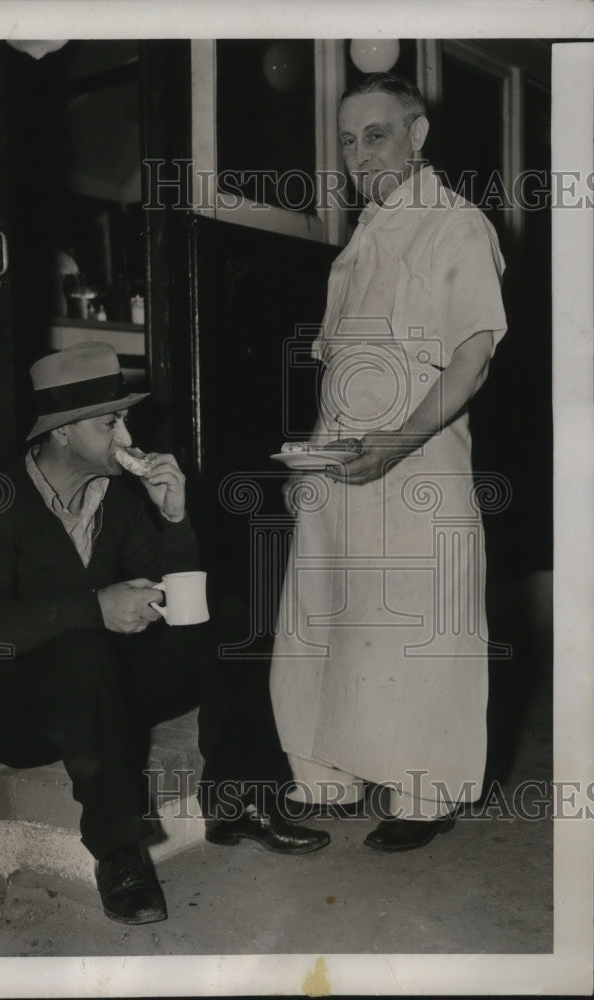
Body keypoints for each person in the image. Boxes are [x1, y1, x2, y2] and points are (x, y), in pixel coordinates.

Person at [0, 341, 329, 926]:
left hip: (105, 692)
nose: (126, 433)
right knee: (81, 649)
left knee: (230, 622)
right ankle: (119, 852)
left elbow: (185, 606)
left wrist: (175, 516)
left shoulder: (120, 500)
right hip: (23, 711)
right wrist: (93, 608)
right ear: (61, 433)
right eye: (111, 421)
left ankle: (242, 802)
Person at [270, 73, 507, 851]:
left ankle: (422, 795)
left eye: (374, 134)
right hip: (339, 467)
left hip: (417, 463)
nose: (356, 152)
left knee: (419, 628)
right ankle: (327, 776)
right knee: (327, 618)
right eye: (345, 139)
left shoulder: (456, 226)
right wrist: (313, 462)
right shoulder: (361, 235)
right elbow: (341, 359)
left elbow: (471, 360)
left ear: (417, 135)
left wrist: (396, 443)